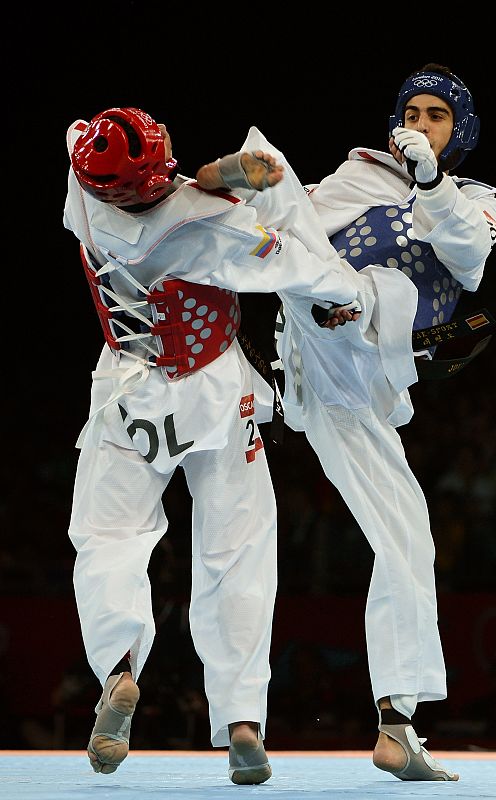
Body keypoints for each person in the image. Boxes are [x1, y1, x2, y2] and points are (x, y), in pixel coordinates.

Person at [63, 107, 362, 784]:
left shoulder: (82, 190)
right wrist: (350, 292)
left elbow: (82, 132)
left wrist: (216, 176)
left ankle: (117, 672)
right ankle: (241, 721)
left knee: (107, 537)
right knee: (236, 549)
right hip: (214, 392)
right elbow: (308, 272)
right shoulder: (213, 229)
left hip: (125, 392)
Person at [276, 64, 496, 780]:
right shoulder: (357, 175)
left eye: (436, 114)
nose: (420, 123)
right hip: (321, 335)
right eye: (411, 111)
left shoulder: (479, 203)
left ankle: (397, 721)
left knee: (408, 542)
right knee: (291, 226)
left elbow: (467, 260)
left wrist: (431, 182)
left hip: (363, 386)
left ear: (457, 129)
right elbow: (287, 231)